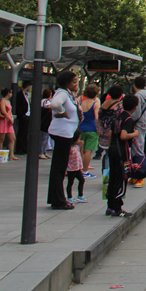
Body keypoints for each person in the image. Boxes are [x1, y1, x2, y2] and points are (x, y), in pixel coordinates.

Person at [48, 71, 81, 210]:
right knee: (59, 168)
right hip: (63, 133)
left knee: (59, 167)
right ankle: (58, 200)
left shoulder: (67, 94)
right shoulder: (62, 93)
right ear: (66, 83)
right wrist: (61, 112)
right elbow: (55, 104)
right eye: (74, 82)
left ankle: (56, 198)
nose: (76, 84)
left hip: (65, 133)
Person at [106, 94, 140, 217]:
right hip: (122, 152)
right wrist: (135, 134)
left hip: (113, 149)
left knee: (113, 177)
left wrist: (111, 146)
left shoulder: (118, 117)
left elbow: (110, 133)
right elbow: (124, 135)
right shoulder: (128, 120)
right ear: (135, 107)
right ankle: (117, 207)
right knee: (121, 179)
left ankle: (110, 206)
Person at [79, 85, 100, 178]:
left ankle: (79, 169)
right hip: (92, 128)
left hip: (81, 128)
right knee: (88, 150)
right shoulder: (95, 103)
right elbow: (96, 117)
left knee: (81, 150)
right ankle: (85, 171)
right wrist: (98, 128)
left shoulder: (82, 103)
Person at [0, 86, 18, 161]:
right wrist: (9, 117)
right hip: (3, 120)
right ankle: (0, 154)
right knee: (1, 138)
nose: (11, 94)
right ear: (8, 93)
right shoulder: (2, 100)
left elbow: (9, 111)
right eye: (10, 92)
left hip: (8, 121)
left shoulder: (8, 101)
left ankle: (11, 154)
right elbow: (3, 111)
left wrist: (11, 118)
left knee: (12, 138)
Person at [66, 130, 87, 203]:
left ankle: (80, 195)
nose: (79, 140)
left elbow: (80, 155)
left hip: (77, 167)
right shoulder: (70, 148)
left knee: (82, 180)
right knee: (70, 182)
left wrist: (81, 147)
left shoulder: (76, 146)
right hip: (71, 168)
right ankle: (69, 197)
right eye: (78, 139)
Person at [14, 81, 31, 156]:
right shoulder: (20, 95)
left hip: (27, 115)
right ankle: (19, 148)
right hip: (23, 116)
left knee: (25, 133)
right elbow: (18, 106)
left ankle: (24, 148)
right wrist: (22, 115)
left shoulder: (27, 95)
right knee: (21, 132)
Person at [39, 88, 53, 158]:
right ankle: (41, 152)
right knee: (43, 138)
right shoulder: (46, 101)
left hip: (46, 122)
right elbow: (49, 107)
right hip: (45, 121)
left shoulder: (43, 101)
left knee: (45, 137)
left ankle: (44, 151)